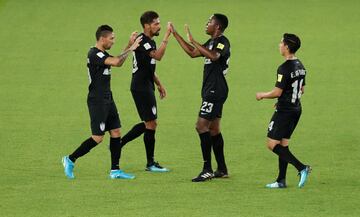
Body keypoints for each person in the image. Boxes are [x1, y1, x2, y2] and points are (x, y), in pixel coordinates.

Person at [62, 25, 142, 179]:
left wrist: (128, 45)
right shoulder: (94, 54)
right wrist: (131, 47)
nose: (113, 41)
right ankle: (70, 159)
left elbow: (118, 62)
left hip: (107, 98)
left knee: (116, 132)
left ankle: (115, 170)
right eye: (111, 38)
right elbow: (116, 61)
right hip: (97, 100)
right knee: (98, 138)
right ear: (102, 38)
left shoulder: (102, 53)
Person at [170, 14, 230, 182]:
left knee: (201, 126)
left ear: (217, 26)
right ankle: (222, 169)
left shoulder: (222, 41)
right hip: (212, 90)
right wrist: (176, 34)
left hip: (215, 91)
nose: (206, 23)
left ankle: (207, 169)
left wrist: (194, 40)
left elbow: (214, 56)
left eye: (209, 22)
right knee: (214, 129)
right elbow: (192, 52)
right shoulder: (211, 43)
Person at [256, 33, 311, 188]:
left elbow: (277, 92)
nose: (279, 45)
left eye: (281, 43)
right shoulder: (300, 65)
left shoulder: (284, 68)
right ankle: (281, 180)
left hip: (285, 111)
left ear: (287, 47)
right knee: (283, 145)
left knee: (272, 144)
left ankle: (301, 167)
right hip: (296, 109)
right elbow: (302, 89)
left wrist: (262, 95)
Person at [119, 11, 171, 172]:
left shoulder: (148, 41)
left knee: (151, 123)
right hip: (140, 87)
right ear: (147, 25)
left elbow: (149, 67)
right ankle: (149, 162)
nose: (159, 26)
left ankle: (120, 144)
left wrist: (159, 84)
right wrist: (167, 37)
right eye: (156, 23)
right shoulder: (143, 41)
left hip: (146, 85)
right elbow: (159, 56)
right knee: (151, 123)